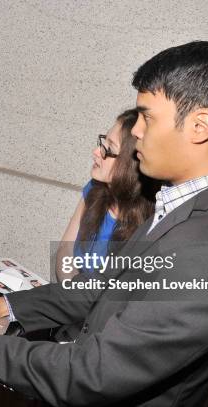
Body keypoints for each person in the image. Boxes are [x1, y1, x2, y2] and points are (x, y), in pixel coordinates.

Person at [0, 41, 208, 406]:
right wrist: (7, 306)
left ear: (201, 126)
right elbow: (102, 289)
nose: (135, 130)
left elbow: (93, 373)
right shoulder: (185, 207)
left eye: (147, 116)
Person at [55, 109, 157, 282]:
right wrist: (70, 292)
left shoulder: (151, 221)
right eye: (103, 142)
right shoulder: (94, 189)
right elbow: (66, 250)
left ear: (131, 164)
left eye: (109, 149)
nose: (97, 151)